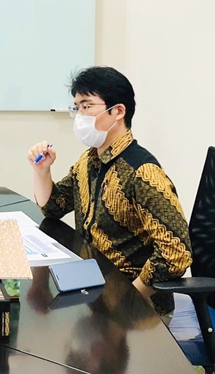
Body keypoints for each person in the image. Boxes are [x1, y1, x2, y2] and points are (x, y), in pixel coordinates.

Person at [27, 66, 192, 316]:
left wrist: (130, 299)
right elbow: (53, 208)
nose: (79, 116)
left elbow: (176, 254)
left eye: (87, 106)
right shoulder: (89, 161)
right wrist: (42, 170)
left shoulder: (143, 172)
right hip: (96, 293)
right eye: (76, 107)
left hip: (139, 311)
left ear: (118, 111)